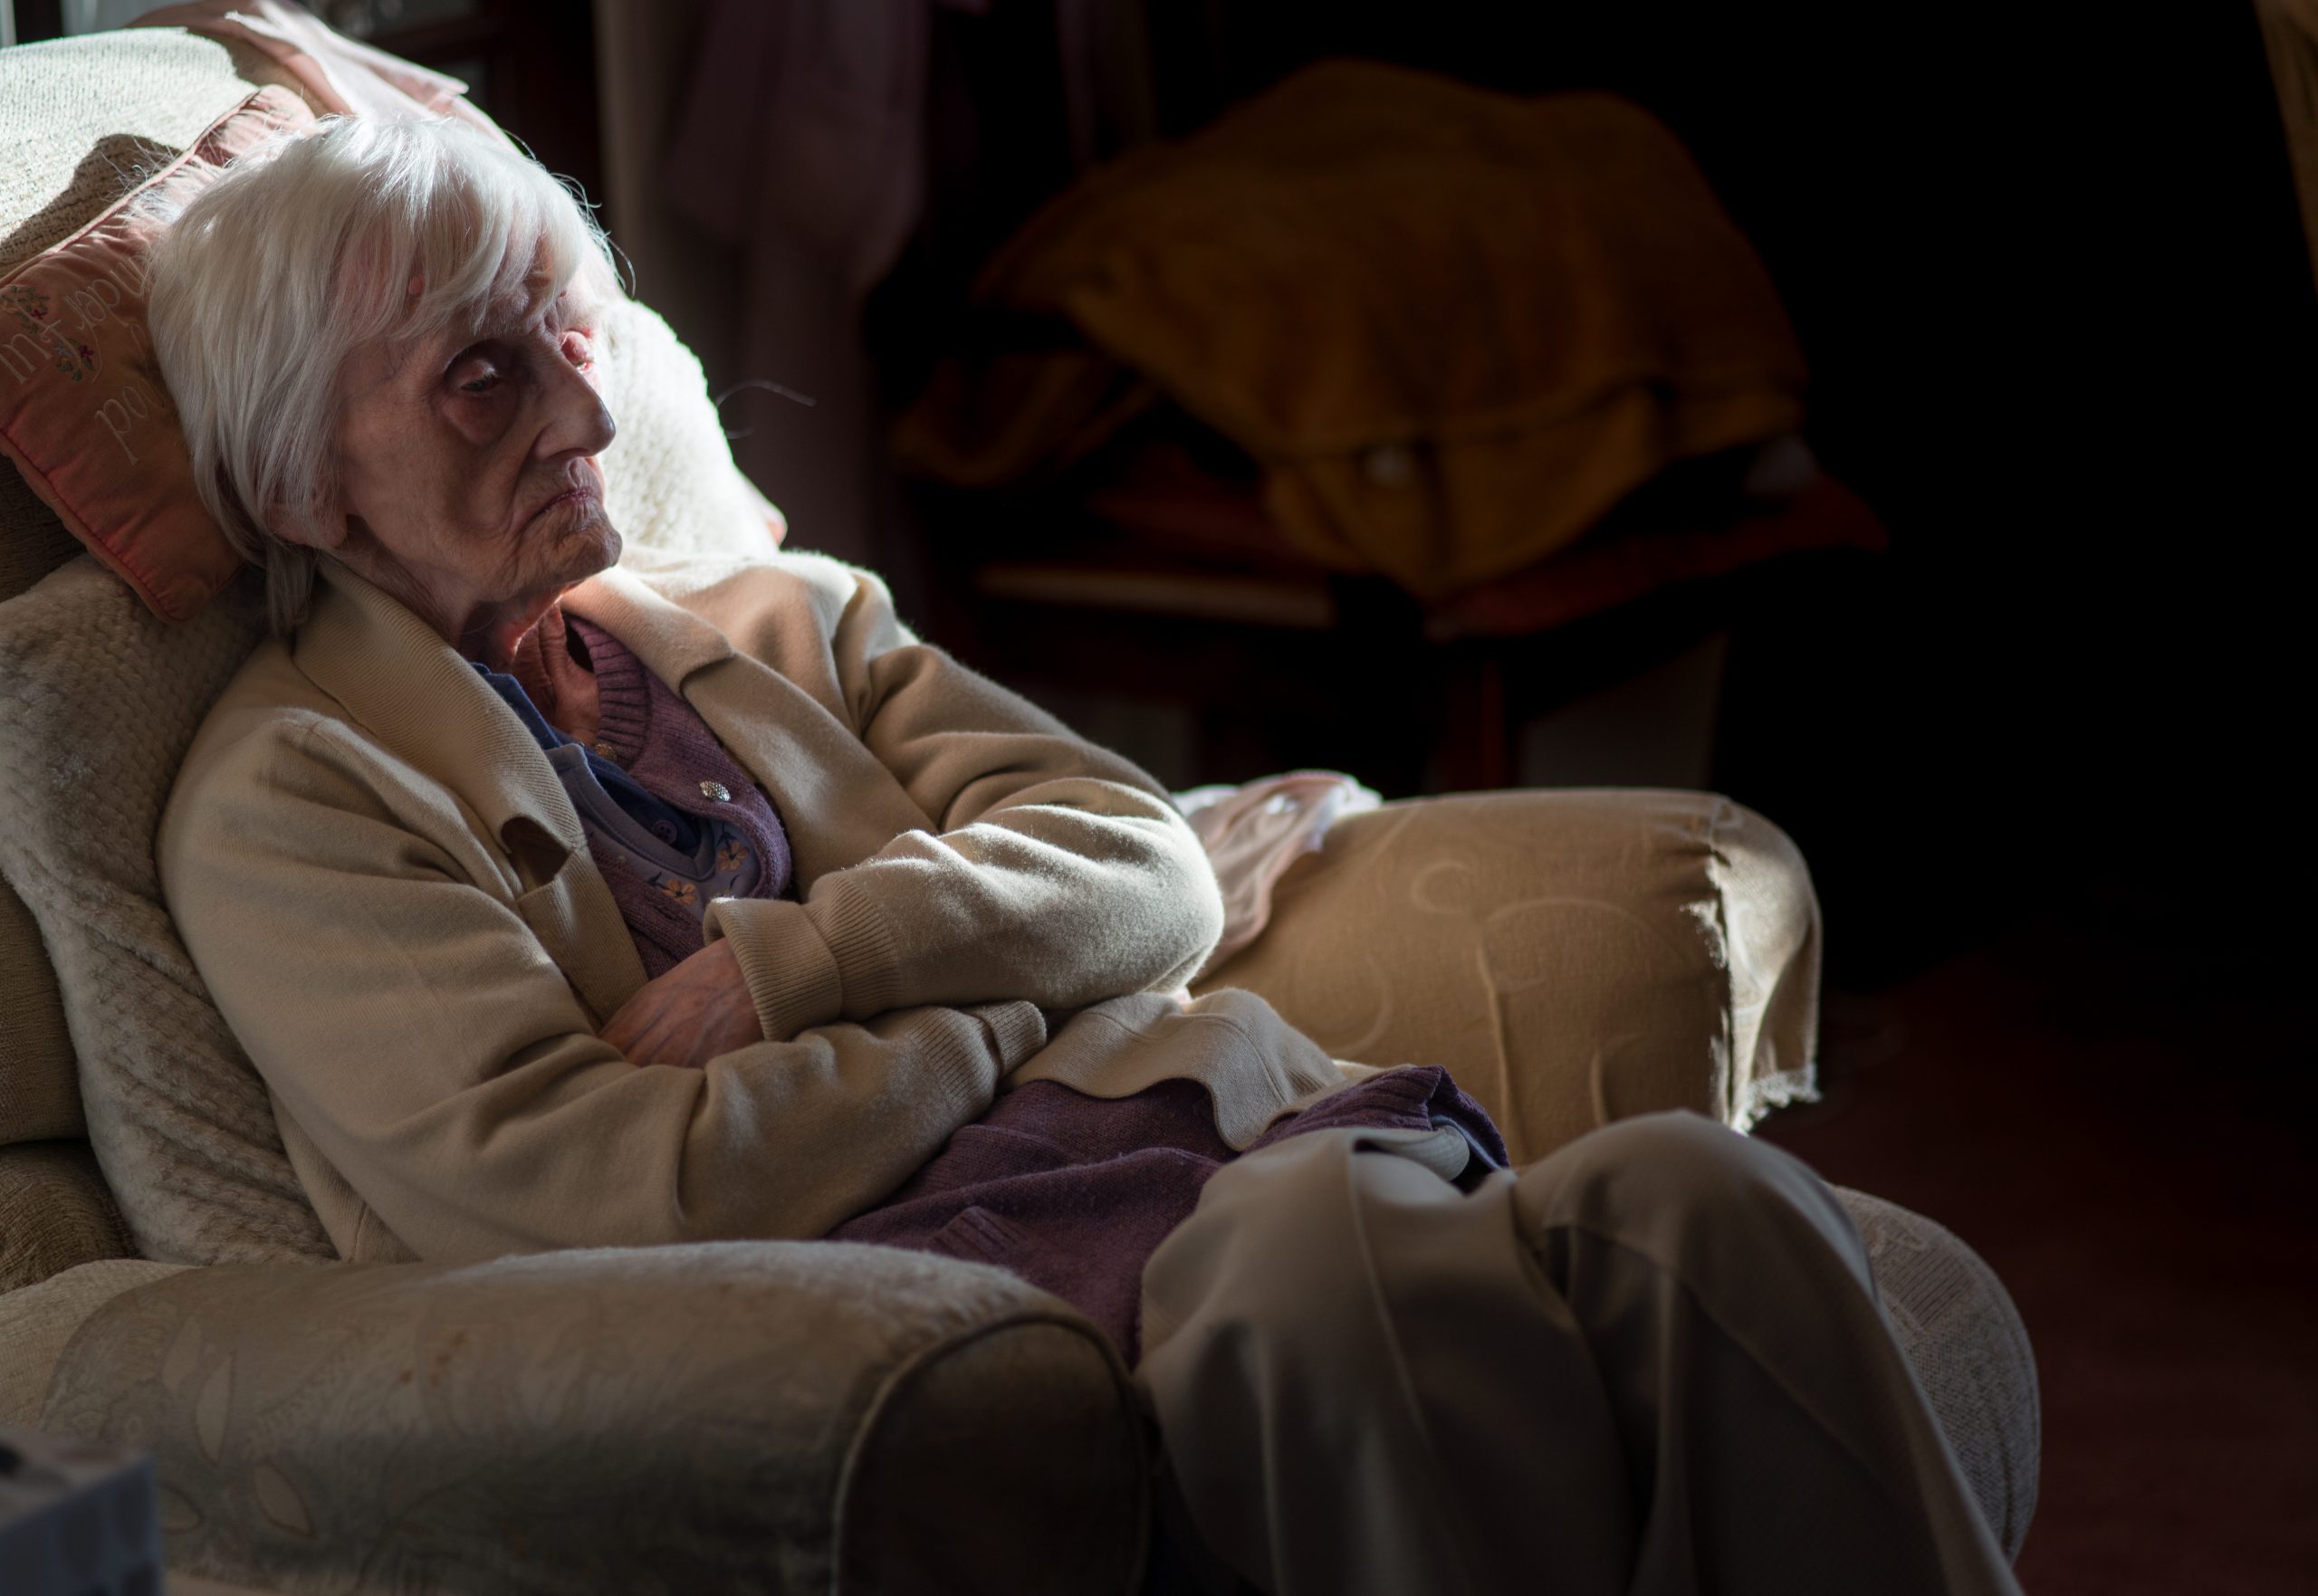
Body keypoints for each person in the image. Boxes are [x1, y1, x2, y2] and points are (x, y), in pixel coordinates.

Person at [148, 115, 2023, 1596]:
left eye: (572, 340)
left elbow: (1146, 870)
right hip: (989, 1273)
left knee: (1706, 1200)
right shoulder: (296, 800)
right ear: (308, 474)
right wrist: (999, 1009)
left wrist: (813, 965)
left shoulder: (783, 616)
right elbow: (593, 1189)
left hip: (1249, 1131)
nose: (583, 418)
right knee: (1316, 1269)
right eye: (485, 380)